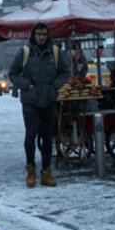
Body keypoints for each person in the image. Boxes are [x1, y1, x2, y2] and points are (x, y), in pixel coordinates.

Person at [7, 22, 69, 188]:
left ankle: (46, 172)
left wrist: (55, 86)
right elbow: (12, 73)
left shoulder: (54, 52)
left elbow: (65, 72)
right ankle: (31, 170)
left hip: (48, 99)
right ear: (33, 35)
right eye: (39, 34)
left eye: (44, 34)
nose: (42, 37)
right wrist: (26, 84)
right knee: (31, 135)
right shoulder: (25, 52)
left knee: (47, 137)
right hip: (30, 100)